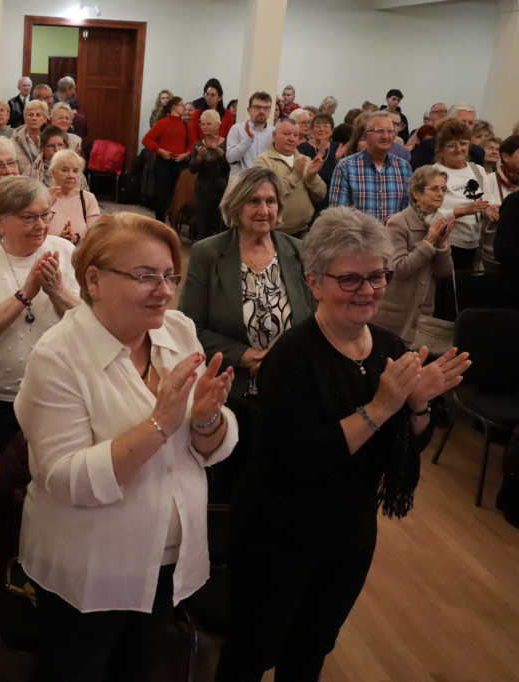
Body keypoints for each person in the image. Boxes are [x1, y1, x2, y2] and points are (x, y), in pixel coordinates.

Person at [216, 206, 470, 681]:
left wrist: (415, 406)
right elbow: (301, 459)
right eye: (350, 279)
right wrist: (380, 406)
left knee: (312, 647)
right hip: (278, 531)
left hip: (349, 530)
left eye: (377, 276)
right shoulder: (290, 356)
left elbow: (402, 453)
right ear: (315, 283)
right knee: (254, 648)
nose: (368, 290)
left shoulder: (392, 347)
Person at [16, 212, 239, 682]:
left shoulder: (175, 331)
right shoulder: (58, 357)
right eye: (144, 276)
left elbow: (205, 443)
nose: (163, 290)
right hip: (90, 569)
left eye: (168, 275)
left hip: (165, 559)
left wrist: (207, 418)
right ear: (93, 280)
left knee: (136, 670)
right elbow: (65, 478)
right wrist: (160, 423)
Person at [0, 175, 81, 451]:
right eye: (28, 217)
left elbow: (90, 325)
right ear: (0, 221)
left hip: (57, 394)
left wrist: (57, 291)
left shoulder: (64, 250)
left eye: (45, 215)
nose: (41, 226)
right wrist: (25, 294)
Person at [177, 167, 315, 398]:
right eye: (254, 201)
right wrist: (248, 356)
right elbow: (189, 327)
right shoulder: (208, 253)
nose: (264, 210)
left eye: (271, 201)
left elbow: (317, 319)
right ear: (236, 206)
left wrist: (283, 360)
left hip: (293, 382)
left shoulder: (299, 252)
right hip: (231, 386)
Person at [371, 166, 455, 346]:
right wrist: (429, 242)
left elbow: (444, 273)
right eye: (434, 188)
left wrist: (441, 244)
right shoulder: (398, 223)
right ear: (416, 194)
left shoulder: (438, 222)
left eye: (443, 189)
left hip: (422, 315)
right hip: (395, 312)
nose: (440, 193)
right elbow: (399, 269)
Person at [430, 118, 502, 271]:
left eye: (463, 143)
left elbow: (486, 202)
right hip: (444, 245)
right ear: (441, 149)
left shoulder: (478, 170)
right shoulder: (433, 173)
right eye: (452, 145)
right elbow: (427, 215)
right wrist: (463, 211)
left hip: (472, 246)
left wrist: (488, 210)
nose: (459, 149)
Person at [330, 113, 413, 223]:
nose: (386, 136)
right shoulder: (346, 167)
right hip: (358, 238)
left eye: (390, 131)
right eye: (379, 131)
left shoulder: (404, 168)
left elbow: (407, 213)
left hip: (393, 238)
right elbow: (338, 216)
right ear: (365, 136)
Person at [254, 119, 326, 238]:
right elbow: (267, 194)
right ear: (274, 135)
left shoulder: (305, 160)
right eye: (287, 134)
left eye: (295, 135)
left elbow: (321, 194)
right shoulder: (263, 160)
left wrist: (312, 177)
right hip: (274, 232)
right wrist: (296, 175)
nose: (292, 139)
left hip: (304, 230)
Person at [142, 97, 191, 223]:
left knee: (176, 196)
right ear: (174, 106)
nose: (184, 108)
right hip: (163, 164)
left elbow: (193, 142)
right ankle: (159, 223)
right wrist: (160, 150)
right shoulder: (163, 123)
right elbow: (146, 140)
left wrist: (186, 154)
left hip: (179, 164)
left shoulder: (186, 124)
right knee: (162, 196)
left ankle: (173, 223)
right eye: (181, 105)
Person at [188, 108, 230, 241]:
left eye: (209, 123)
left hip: (222, 191)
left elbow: (229, 166)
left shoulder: (226, 144)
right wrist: (200, 157)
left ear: (218, 125)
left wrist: (218, 151)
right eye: (203, 124)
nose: (205, 127)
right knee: (203, 226)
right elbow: (192, 169)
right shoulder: (198, 145)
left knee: (220, 227)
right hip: (203, 191)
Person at [47, 149, 100, 243]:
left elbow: (96, 233)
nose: (71, 175)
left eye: (75, 171)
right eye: (65, 170)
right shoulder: (43, 197)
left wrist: (76, 238)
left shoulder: (88, 199)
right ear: (54, 172)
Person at [226, 92, 273, 183]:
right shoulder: (237, 129)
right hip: (241, 184)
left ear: (270, 111)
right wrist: (248, 138)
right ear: (249, 110)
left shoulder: (274, 133)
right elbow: (231, 158)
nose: (262, 111)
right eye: (257, 107)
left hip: (264, 184)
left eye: (266, 108)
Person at [13, 99, 49, 177]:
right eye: (30, 115)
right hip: (22, 185)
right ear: (25, 118)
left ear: (45, 119)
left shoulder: (52, 140)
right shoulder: (13, 141)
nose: (34, 118)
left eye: (38, 115)